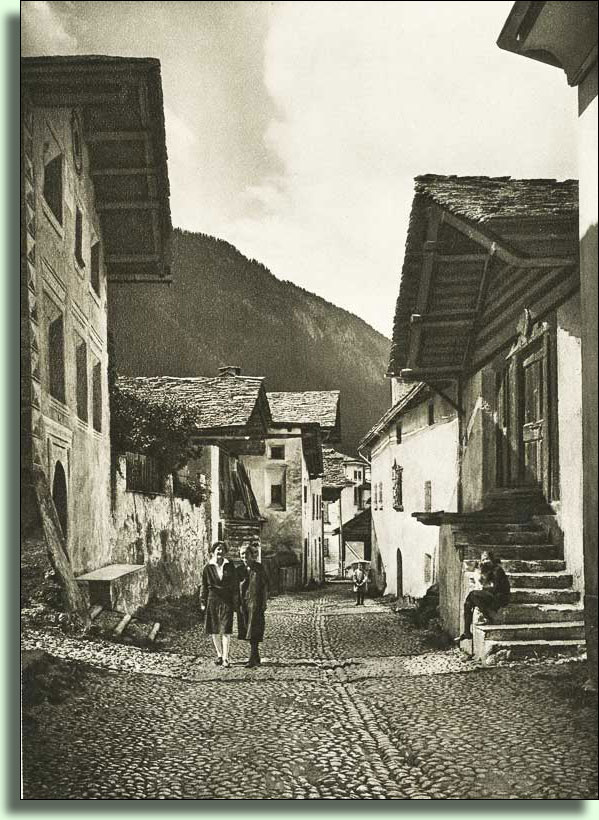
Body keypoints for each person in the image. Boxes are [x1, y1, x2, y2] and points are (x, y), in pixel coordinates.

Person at [457, 550, 510, 641]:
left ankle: (488, 615)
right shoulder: (486, 570)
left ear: (492, 560)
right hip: (491, 596)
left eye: (487, 559)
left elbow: (495, 588)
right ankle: (467, 632)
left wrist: (483, 588)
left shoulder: (497, 570)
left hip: (500, 597)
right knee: (469, 602)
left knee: (472, 595)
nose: (485, 562)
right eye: (483, 560)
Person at [200, 541, 238, 667]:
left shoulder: (229, 566)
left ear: (225, 552)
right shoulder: (208, 568)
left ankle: (226, 658)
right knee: (214, 629)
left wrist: (235, 601)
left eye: (222, 549)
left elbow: (235, 584)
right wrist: (203, 601)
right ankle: (219, 655)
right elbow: (204, 586)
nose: (220, 552)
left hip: (227, 600)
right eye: (218, 549)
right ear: (213, 551)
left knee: (226, 629)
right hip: (213, 600)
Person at [236, 541, 268, 668]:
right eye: (242, 555)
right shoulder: (239, 570)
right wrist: (237, 604)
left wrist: (264, 602)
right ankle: (256, 656)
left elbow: (265, 586)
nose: (244, 557)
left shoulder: (259, 568)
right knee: (247, 628)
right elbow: (235, 588)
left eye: (246, 554)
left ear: (251, 555)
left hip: (256, 603)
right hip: (244, 603)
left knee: (254, 629)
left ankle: (252, 658)